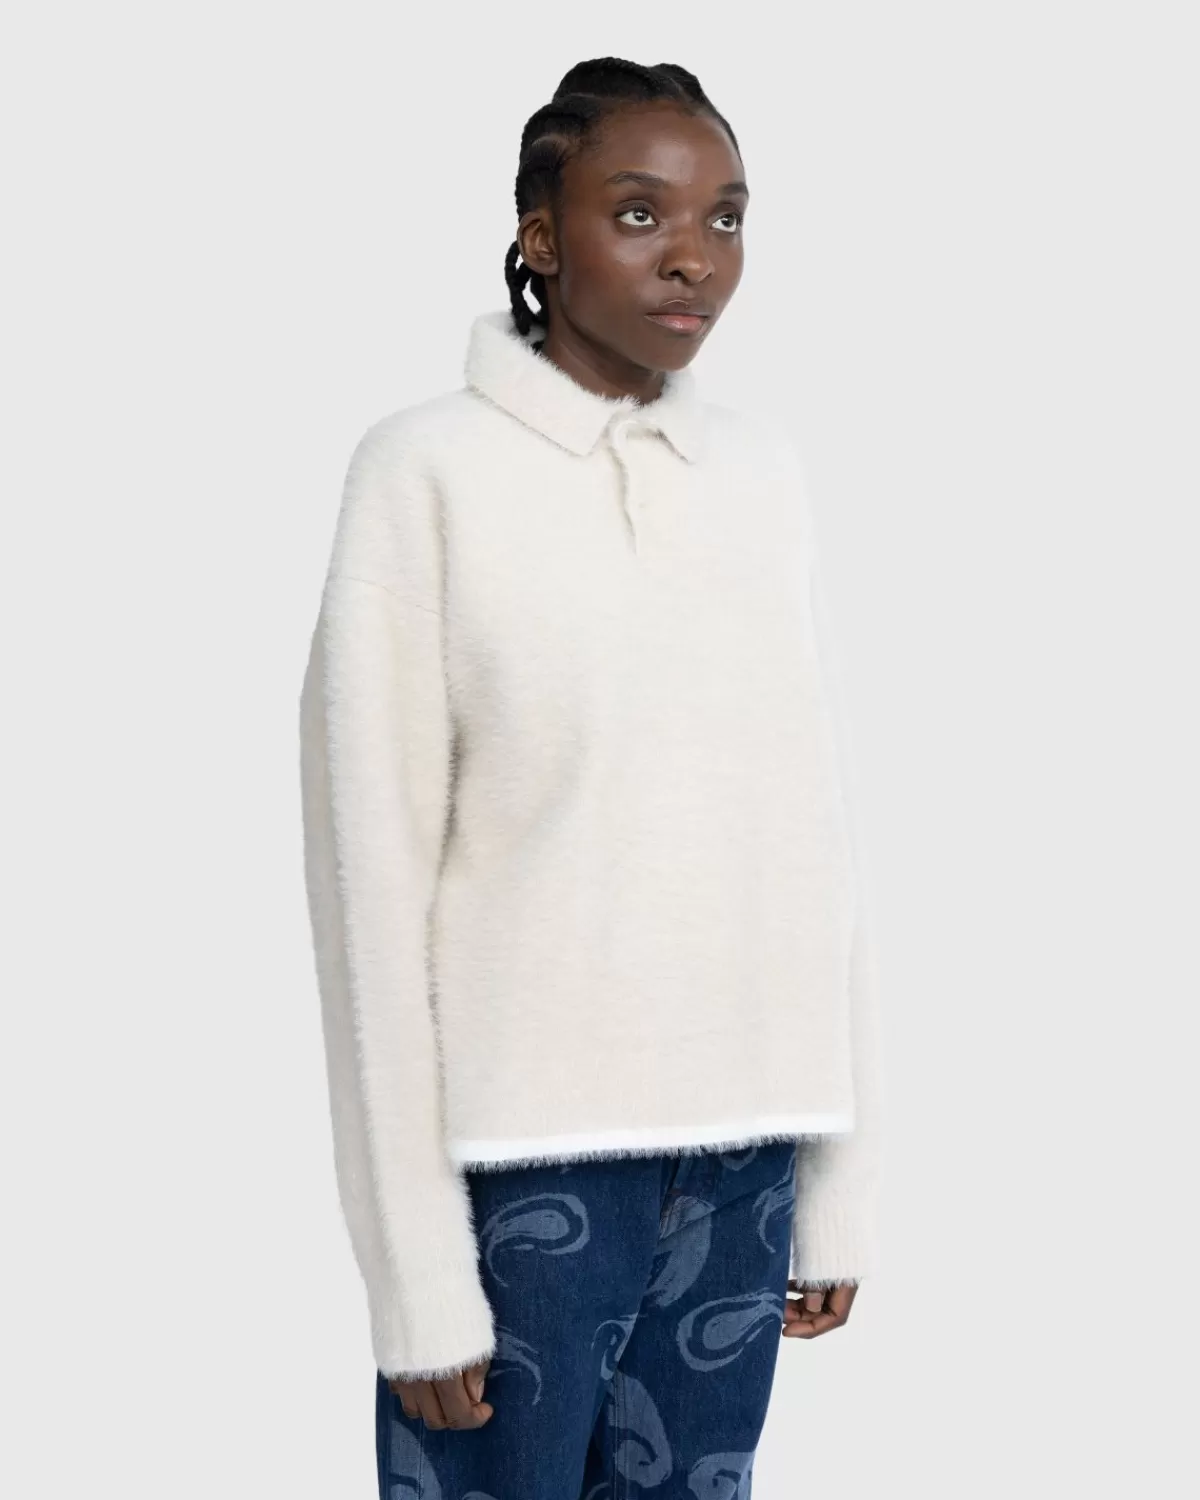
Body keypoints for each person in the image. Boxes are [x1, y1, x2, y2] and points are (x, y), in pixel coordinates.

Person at [299, 55, 884, 1499]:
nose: (695, 255)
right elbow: (367, 879)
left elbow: (810, 840)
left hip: (744, 1155)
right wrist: (414, 1273)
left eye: (726, 216)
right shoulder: (426, 472)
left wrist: (837, 1180)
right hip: (523, 1163)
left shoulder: (758, 476)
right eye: (639, 213)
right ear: (540, 236)